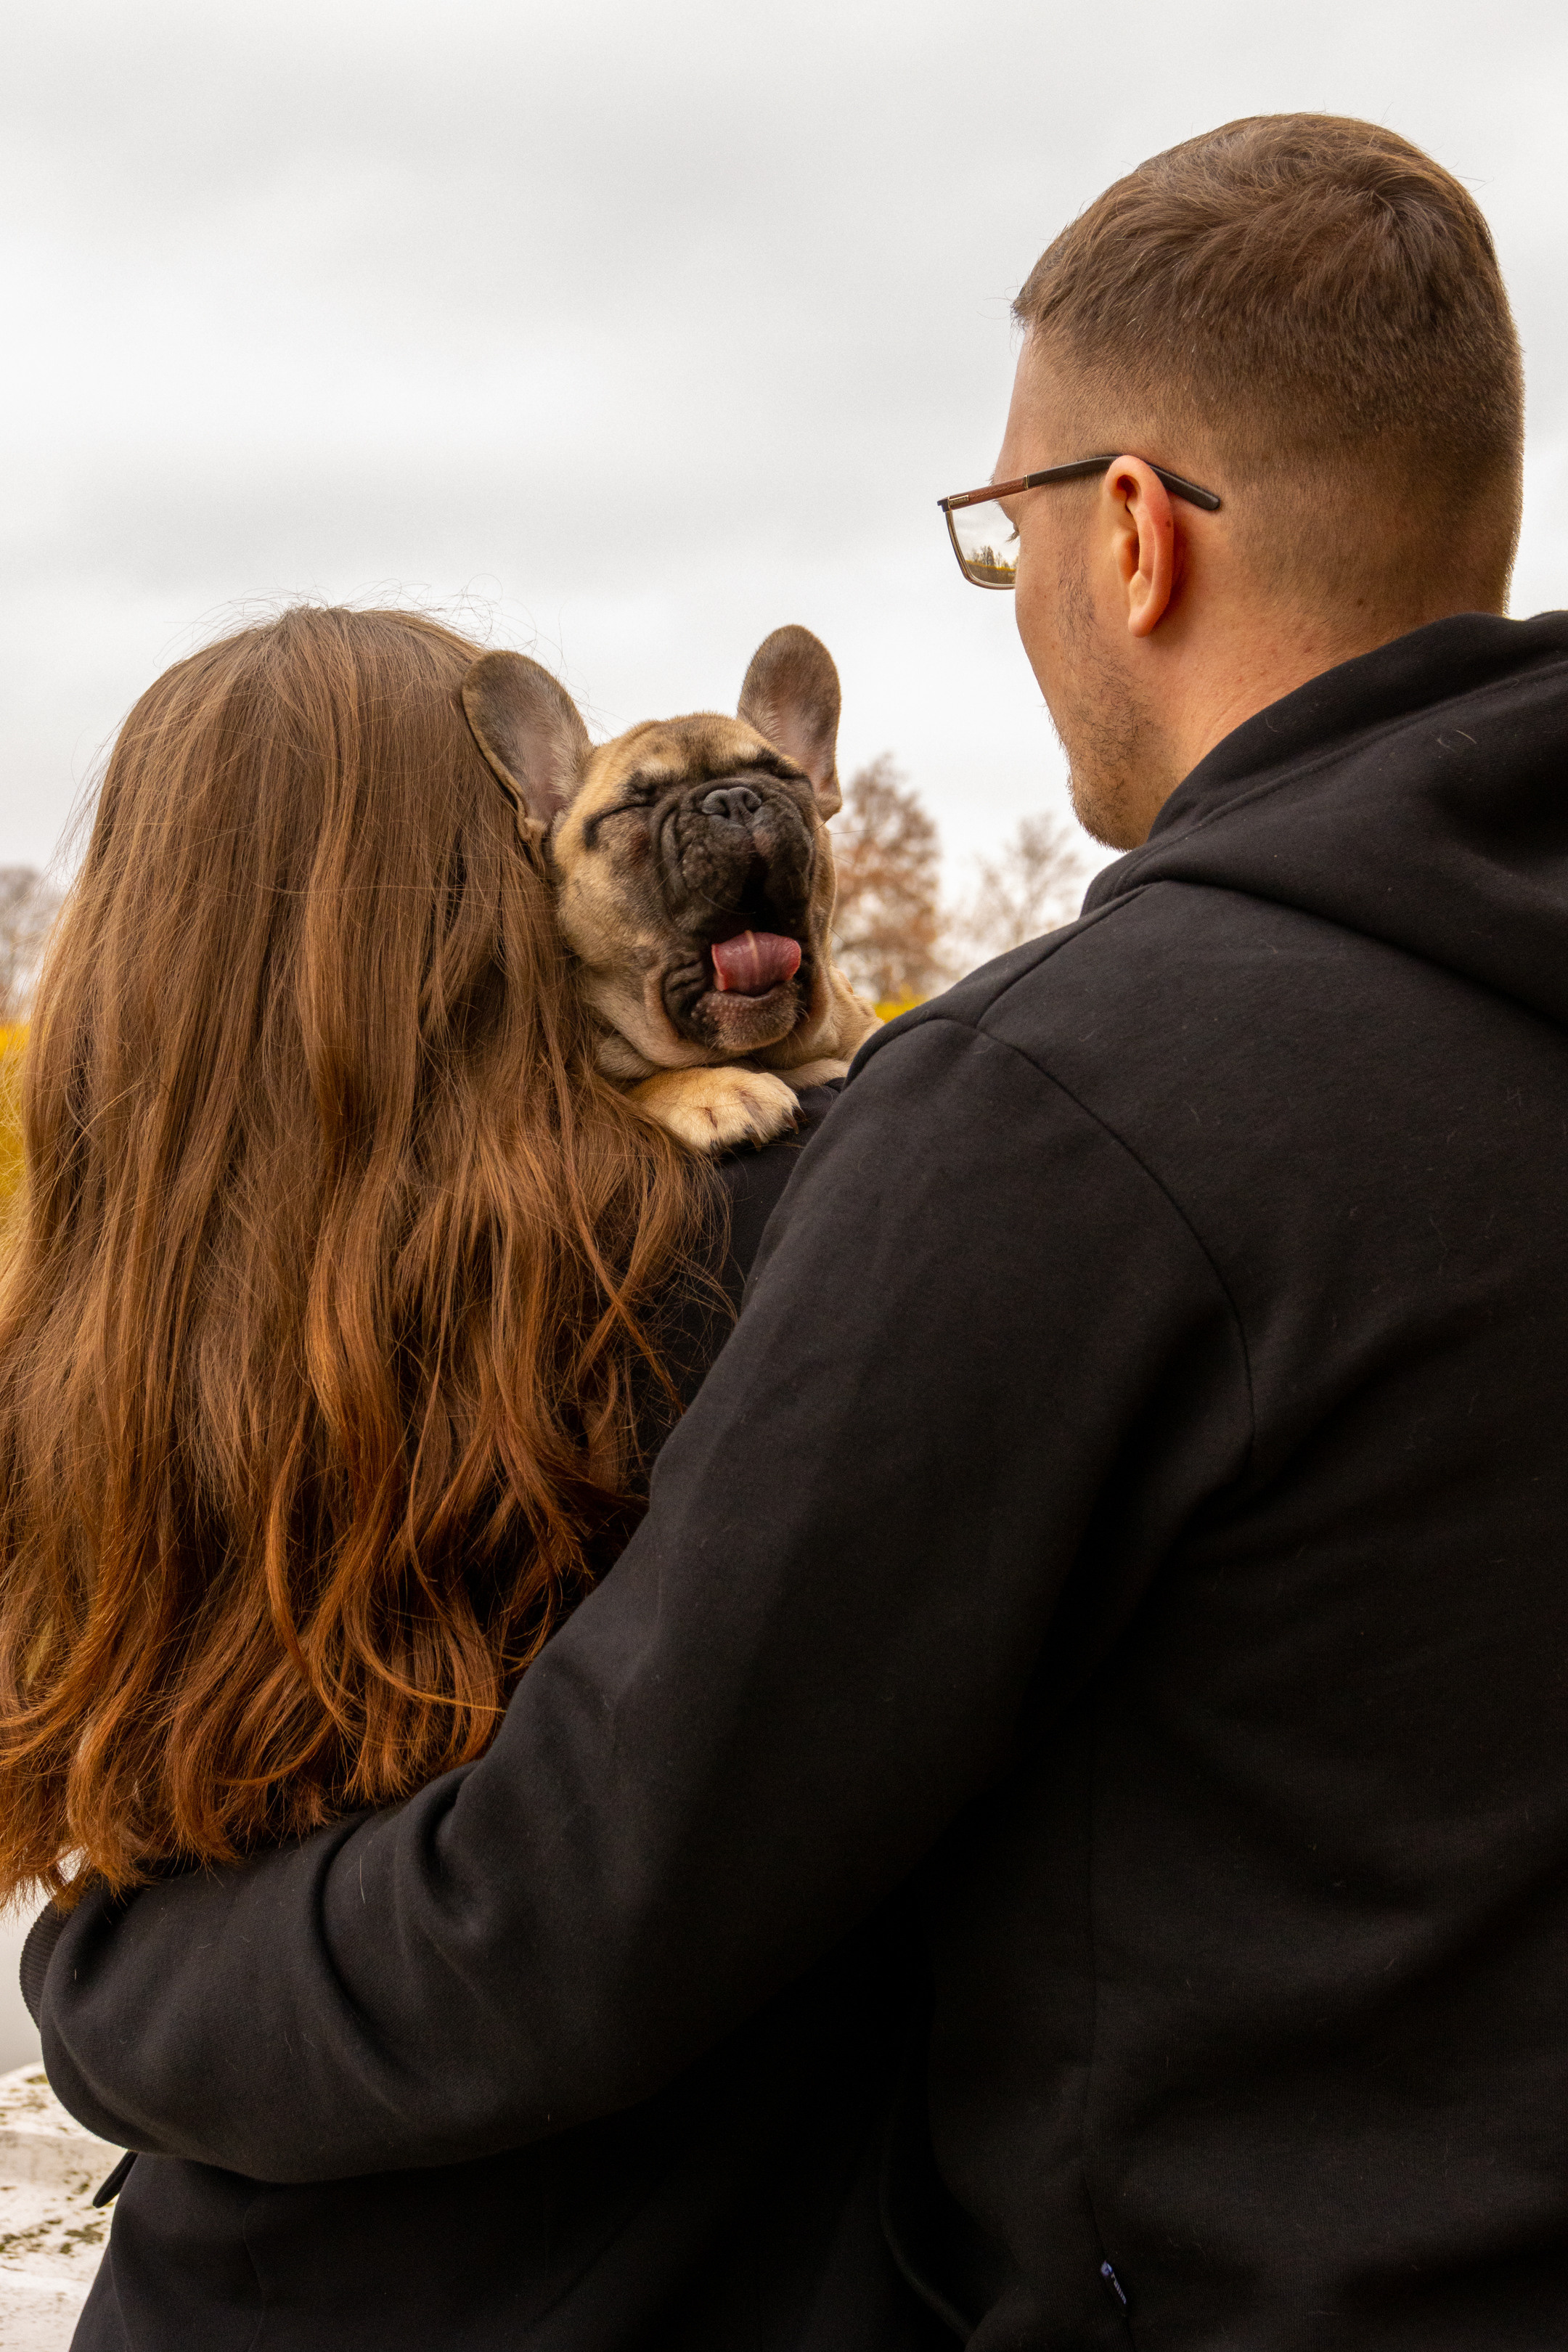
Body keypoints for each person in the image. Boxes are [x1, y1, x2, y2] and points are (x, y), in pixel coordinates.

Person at [28, 111, 1568, 2344]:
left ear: (1134, 535)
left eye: (1003, 538)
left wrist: (110, 1986)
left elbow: (593, 1895)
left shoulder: (1065, 1118)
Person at [0, 605, 941, 2349]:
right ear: (492, 907)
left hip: (211, 2286)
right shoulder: (741, 1255)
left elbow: (129, 1850)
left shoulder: (88, 1351)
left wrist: (100, 1990)